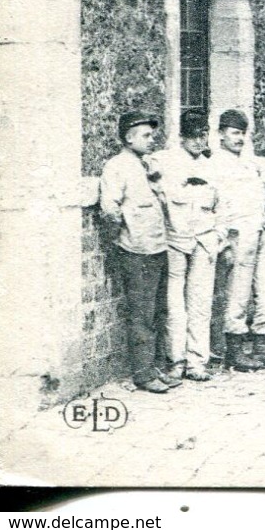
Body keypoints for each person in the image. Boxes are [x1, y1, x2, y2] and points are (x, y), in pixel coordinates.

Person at [98, 110, 173, 393]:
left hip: (157, 247)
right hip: (136, 252)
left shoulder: (146, 165)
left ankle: (156, 367)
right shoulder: (117, 167)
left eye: (152, 135)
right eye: (146, 135)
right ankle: (143, 374)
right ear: (129, 139)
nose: (152, 139)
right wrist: (127, 236)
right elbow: (110, 208)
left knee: (158, 312)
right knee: (141, 314)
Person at [213, 109, 265, 372]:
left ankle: (264, 346)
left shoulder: (248, 161)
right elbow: (216, 207)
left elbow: (264, 168)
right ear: (221, 134)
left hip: (259, 228)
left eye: (243, 134)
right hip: (237, 233)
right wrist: (223, 242)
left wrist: (263, 170)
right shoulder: (215, 164)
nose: (239, 138)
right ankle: (234, 352)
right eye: (234, 133)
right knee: (238, 293)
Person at [149, 107, 221, 384]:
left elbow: (222, 204)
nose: (199, 142)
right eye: (193, 136)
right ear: (181, 136)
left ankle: (196, 361)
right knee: (174, 304)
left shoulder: (211, 166)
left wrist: (219, 235)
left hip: (204, 239)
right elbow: (154, 190)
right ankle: (175, 360)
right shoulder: (164, 161)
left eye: (203, 135)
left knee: (200, 302)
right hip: (175, 240)